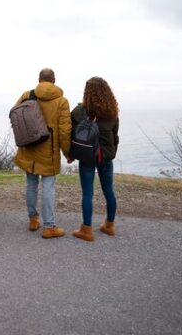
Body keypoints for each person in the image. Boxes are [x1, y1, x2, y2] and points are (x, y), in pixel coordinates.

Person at [13, 68, 72, 239]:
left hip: (29, 148)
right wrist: (67, 152)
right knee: (48, 187)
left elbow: (17, 118)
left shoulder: (27, 95)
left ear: (39, 80)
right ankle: (49, 226)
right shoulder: (61, 101)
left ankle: (33, 219)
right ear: (54, 80)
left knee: (31, 185)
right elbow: (64, 131)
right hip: (49, 152)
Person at [70, 77, 119, 242]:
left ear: (87, 92)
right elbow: (115, 137)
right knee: (109, 191)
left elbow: (72, 135)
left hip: (88, 156)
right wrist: (111, 153)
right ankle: (109, 226)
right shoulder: (112, 113)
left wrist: (70, 154)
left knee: (87, 193)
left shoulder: (79, 112)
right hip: (106, 157)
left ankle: (86, 230)